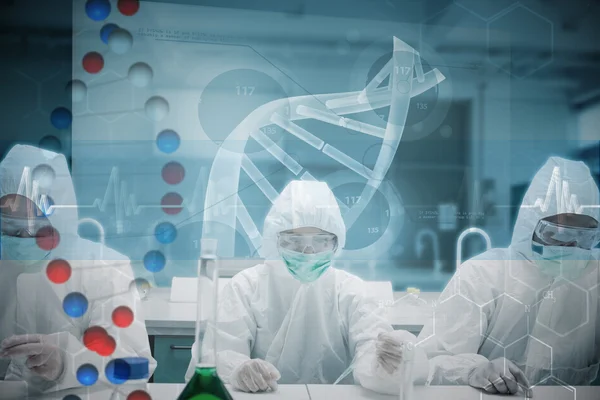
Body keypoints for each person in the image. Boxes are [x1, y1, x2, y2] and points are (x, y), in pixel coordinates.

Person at [185, 180, 428, 393]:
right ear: (275, 240)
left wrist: (391, 363)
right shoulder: (246, 287)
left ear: (336, 242)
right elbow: (218, 351)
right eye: (294, 241)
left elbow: (371, 350)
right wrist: (239, 369)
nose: (308, 252)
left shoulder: (351, 291)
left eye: (321, 241)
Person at [419, 157, 600, 395]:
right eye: (555, 233)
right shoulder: (484, 274)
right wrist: (474, 371)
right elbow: (428, 362)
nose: (569, 245)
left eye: (582, 234)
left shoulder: (594, 278)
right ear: (531, 224)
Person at [0, 145, 156, 393]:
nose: (22, 235)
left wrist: (66, 361)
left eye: (33, 219)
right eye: (10, 220)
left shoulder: (106, 267)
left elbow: (134, 364)